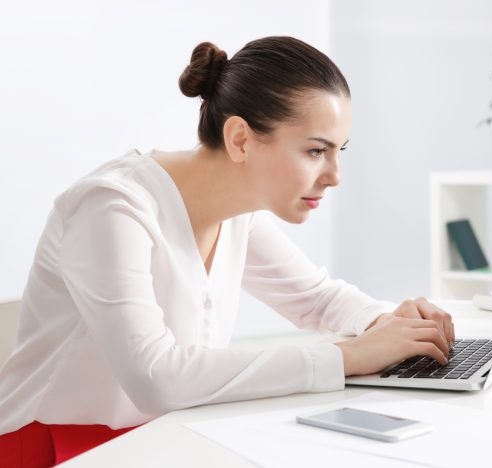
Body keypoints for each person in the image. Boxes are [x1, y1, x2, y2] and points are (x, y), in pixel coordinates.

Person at [0, 36, 454, 467]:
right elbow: (157, 378)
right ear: (240, 139)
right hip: (55, 449)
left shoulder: (238, 211)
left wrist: (389, 324)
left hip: (158, 438)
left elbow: (316, 298)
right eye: (316, 151)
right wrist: (349, 356)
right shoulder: (112, 207)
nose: (335, 175)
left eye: (339, 151)